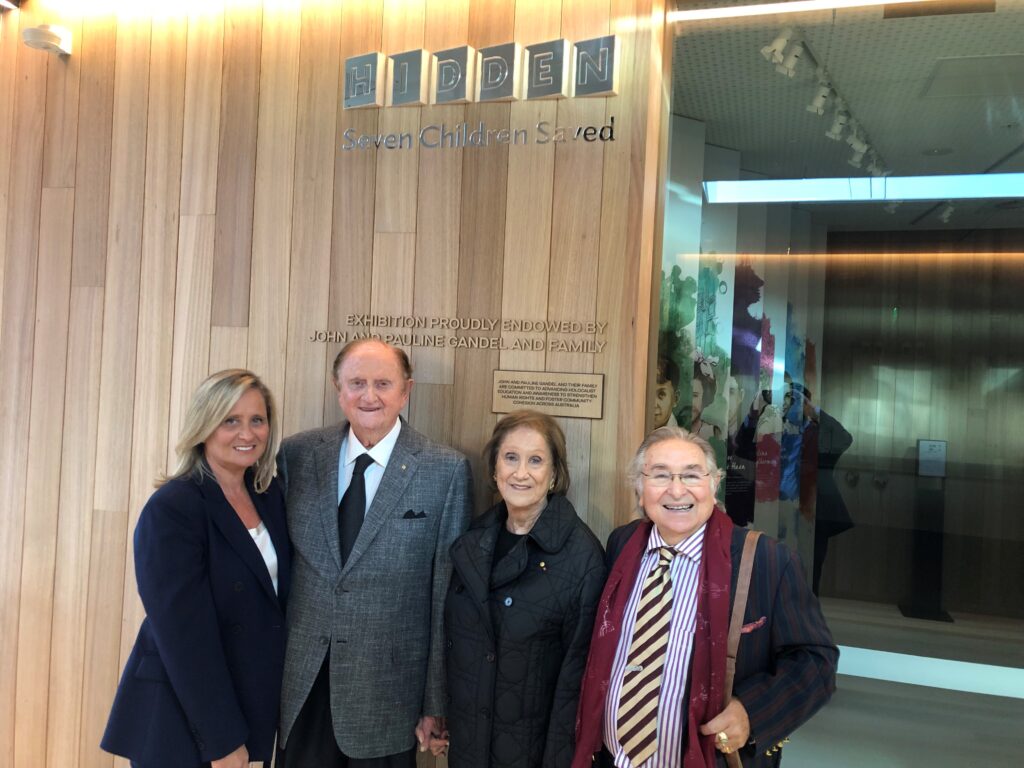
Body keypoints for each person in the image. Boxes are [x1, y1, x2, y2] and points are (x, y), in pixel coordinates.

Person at [573, 427, 837, 768]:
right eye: (660, 475)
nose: (676, 490)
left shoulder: (767, 560)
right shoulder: (621, 545)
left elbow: (816, 661)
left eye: (692, 475)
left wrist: (751, 713)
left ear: (714, 485)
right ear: (639, 489)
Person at [277, 339, 472, 768]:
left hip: (389, 695)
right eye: (357, 383)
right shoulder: (298, 455)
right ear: (338, 389)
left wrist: (435, 702)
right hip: (304, 684)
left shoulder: (445, 470)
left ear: (406, 391)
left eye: (383, 384)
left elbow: (444, 595)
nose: (369, 396)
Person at [102, 369, 291, 768]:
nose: (247, 433)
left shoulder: (268, 496)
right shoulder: (173, 508)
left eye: (257, 420)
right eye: (230, 420)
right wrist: (222, 740)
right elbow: (183, 637)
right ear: (204, 426)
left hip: (247, 701)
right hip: (185, 713)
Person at [442, 411, 607, 768]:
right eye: (511, 457)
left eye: (535, 460)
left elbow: (575, 683)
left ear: (554, 474)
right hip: (468, 747)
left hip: (533, 753)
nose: (520, 473)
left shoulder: (582, 557)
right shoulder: (472, 540)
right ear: (494, 469)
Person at [652, 356, 681, 429]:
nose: (654, 404)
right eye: (648, 395)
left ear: (675, 399)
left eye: (661, 394)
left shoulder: (679, 435)